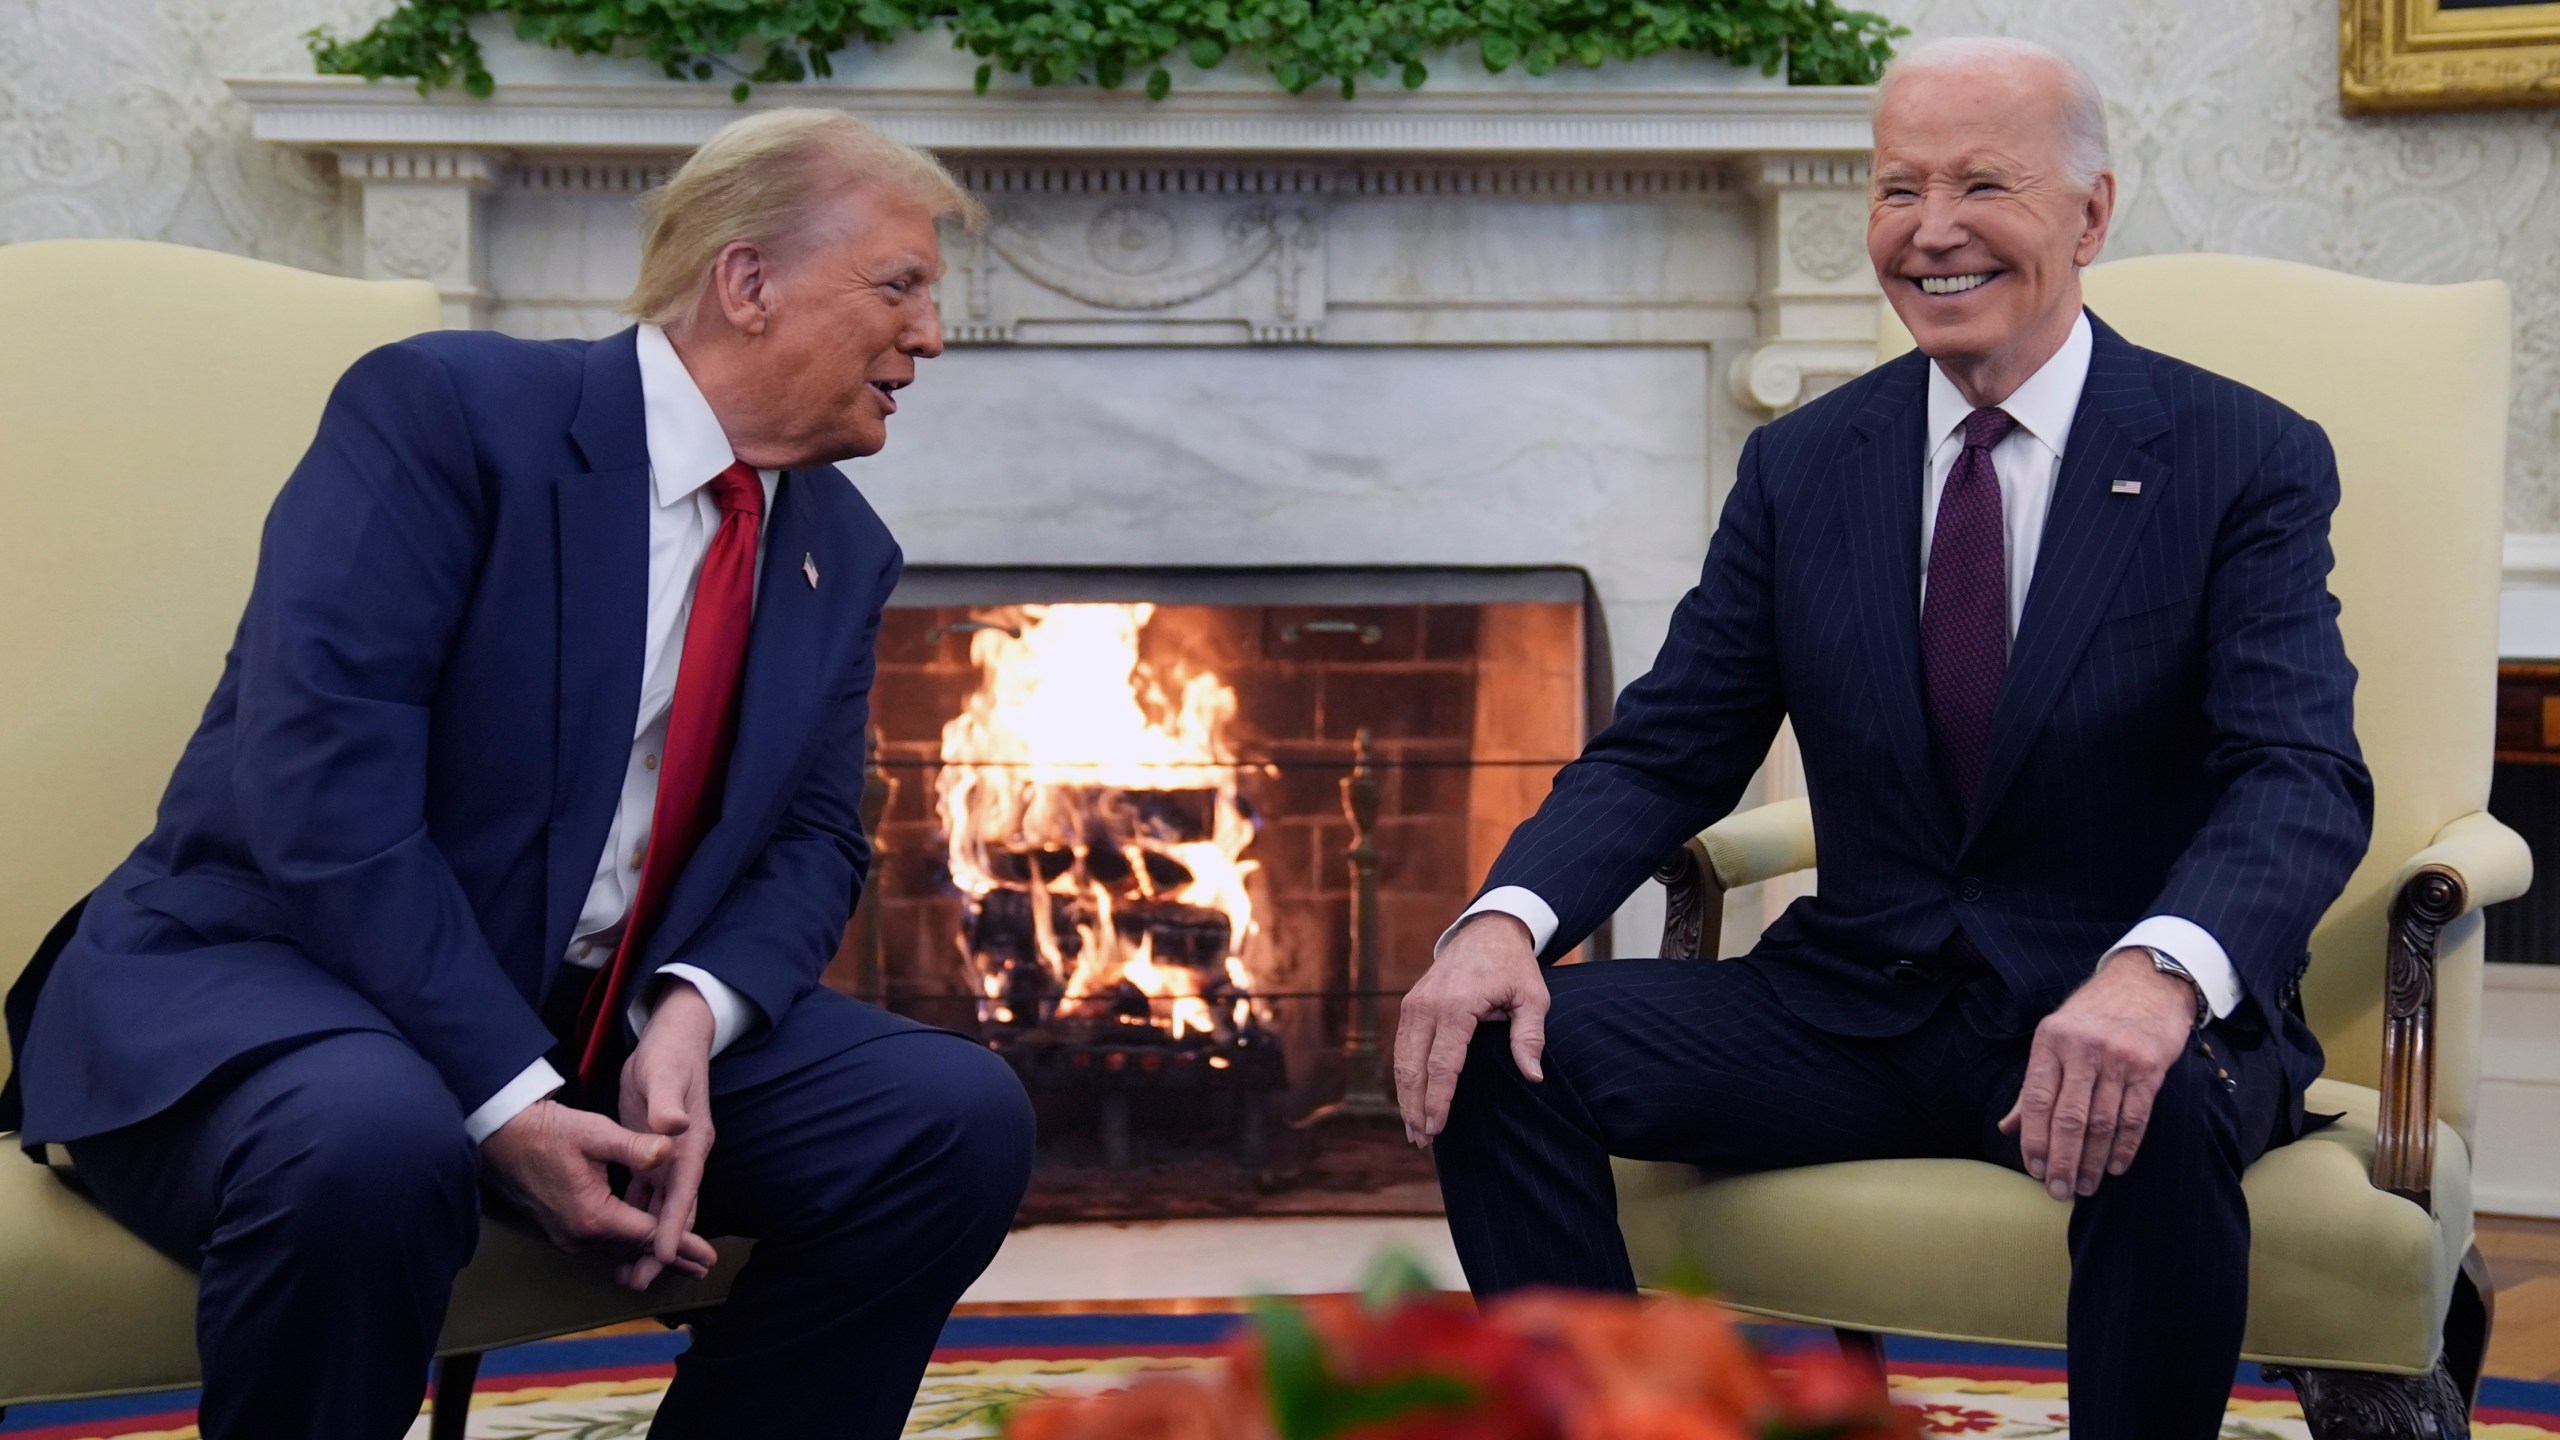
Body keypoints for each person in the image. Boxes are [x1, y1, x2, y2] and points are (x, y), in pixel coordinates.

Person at [0, 108, 1033, 1440]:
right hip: (269, 983)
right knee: (374, 1141)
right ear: (749, 282)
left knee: (948, 1121)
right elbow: (321, 782)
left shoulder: (841, 545)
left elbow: (816, 840)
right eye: (900, 286)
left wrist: (688, 1016)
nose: (931, 336)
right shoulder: (449, 413)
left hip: (584, 1014)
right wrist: (508, 1099)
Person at [1394, 36, 2370, 1440]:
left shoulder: (2241, 456)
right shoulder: (1803, 465)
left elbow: (2298, 772)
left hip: (2118, 1007)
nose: (1932, 230)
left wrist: (2158, 974)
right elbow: (1670, 746)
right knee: (1501, 1046)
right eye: (1899, 188)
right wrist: (1504, 922)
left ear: (2090, 215)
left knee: (2146, 1102)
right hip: (1855, 1007)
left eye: (1983, 185)